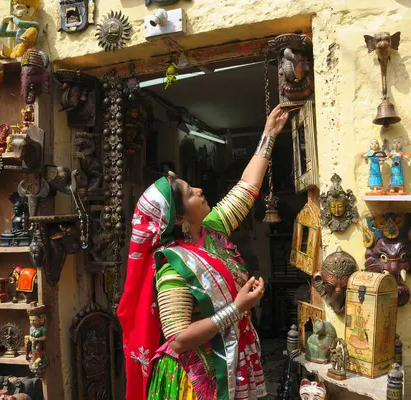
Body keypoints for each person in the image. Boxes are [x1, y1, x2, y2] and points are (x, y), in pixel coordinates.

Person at [117, 105, 291, 400]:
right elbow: (178, 340)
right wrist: (237, 308)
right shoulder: (173, 265)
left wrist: (269, 135)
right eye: (188, 193)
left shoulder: (212, 232)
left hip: (229, 363)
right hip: (197, 380)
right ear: (179, 218)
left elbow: (247, 188)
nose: (198, 190)